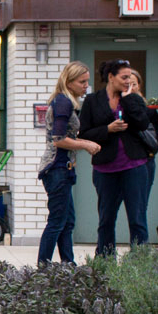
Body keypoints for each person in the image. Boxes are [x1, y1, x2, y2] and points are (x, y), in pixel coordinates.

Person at [77, 59, 153, 256]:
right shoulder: (93, 101)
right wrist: (107, 130)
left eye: (130, 77)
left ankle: (139, 262)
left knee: (137, 217)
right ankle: (104, 260)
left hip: (134, 167)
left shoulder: (133, 99)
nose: (128, 81)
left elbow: (143, 123)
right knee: (106, 218)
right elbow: (84, 133)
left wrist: (128, 99)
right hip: (105, 169)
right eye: (124, 77)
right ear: (111, 77)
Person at [36, 62, 100, 265]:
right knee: (57, 222)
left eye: (87, 81)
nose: (86, 86)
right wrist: (86, 145)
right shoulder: (63, 102)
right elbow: (58, 139)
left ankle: (68, 265)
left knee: (67, 221)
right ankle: (43, 267)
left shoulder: (65, 102)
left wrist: (84, 141)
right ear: (69, 82)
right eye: (82, 82)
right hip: (57, 169)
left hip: (63, 169)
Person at [125, 69, 158, 194]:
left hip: (145, 162)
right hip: (121, 161)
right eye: (127, 85)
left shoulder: (148, 110)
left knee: (141, 204)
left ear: (139, 86)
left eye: (134, 84)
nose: (130, 88)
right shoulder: (116, 108)